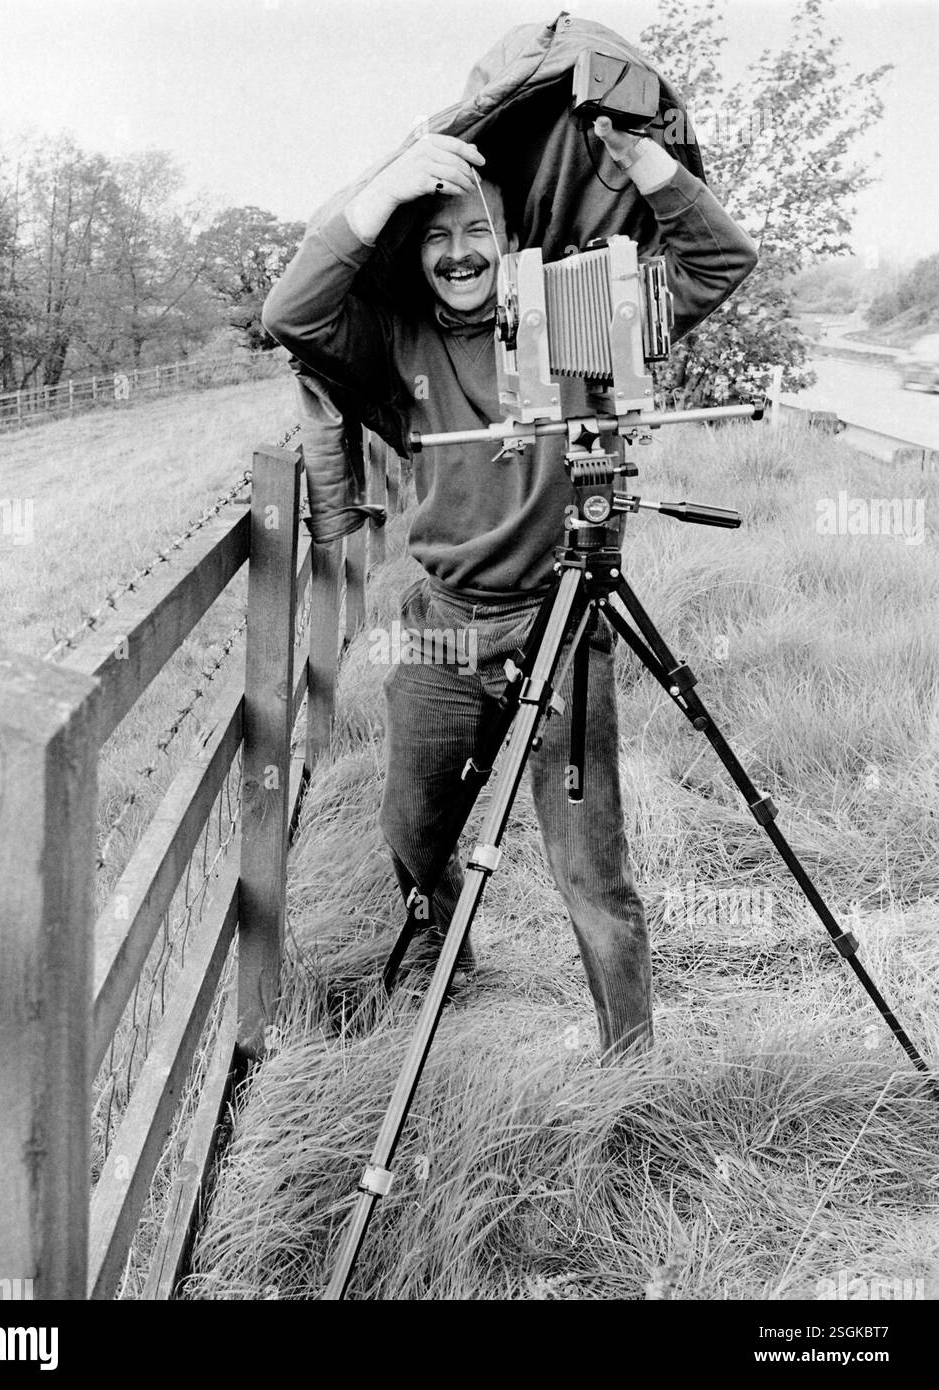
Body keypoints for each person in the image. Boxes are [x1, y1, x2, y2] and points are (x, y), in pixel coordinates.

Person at [263, 105, 757, 1059]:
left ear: (512, 239)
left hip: (565, 622)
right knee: (414, 832)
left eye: (478, 229)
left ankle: (630, 1057)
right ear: (415, 255)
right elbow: (292, 314)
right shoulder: (396, 341)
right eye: (437, 236)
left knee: (591, 869)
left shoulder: (575, 315)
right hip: (442, 629)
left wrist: (646, 162)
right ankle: (442, 975)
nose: (459, 252)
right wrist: (386, 188)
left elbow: (718, 265)